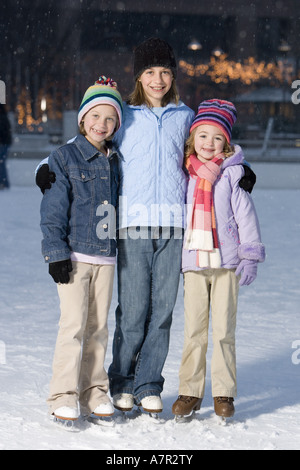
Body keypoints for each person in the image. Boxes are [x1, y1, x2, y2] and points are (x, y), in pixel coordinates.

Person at [35, 38, 257, 416]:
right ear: (139, 76)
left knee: (163, 311)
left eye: (165, 72)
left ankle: (149, 382)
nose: (158, 80)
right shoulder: (126, 116)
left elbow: (213, 142)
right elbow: (90, 138)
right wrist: (47, 163)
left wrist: (242, 165)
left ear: (173, 76)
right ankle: (121, 382)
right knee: (134, 310)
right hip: (132, 225)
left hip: (175, 226)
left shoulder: (185, 116)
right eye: (151, 72)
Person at [172, 99, 265, 421]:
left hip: (227, 263)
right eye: (203, 136)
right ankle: (190, 391)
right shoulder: (185, 174)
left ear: (225, 143)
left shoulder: (233, 174)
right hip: (195, 262)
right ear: (192, 140)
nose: (209, 143)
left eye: (216, 138)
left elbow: (246, 216)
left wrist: (249, 254)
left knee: (224, 330)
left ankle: (224, 392)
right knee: (194, 331)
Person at [40, 76, 123, 423]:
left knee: (99, 328)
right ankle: (63, 394)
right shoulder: (65, 157)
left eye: (109, 119)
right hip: (74, 256)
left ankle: (95, 391)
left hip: (105, 257)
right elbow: (54, 207)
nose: (101, 125)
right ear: (82, 119)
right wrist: (55, 252)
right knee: (73, 326)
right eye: (95, 116)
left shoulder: (117, 160)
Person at [0, 104, 12, 189]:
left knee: (1, 163)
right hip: (5, 143)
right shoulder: (4, 117)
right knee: (2, 163)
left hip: (2, 143)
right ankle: (4, 182)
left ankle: (4, 183)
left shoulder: (1, 118)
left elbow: (2, 132)